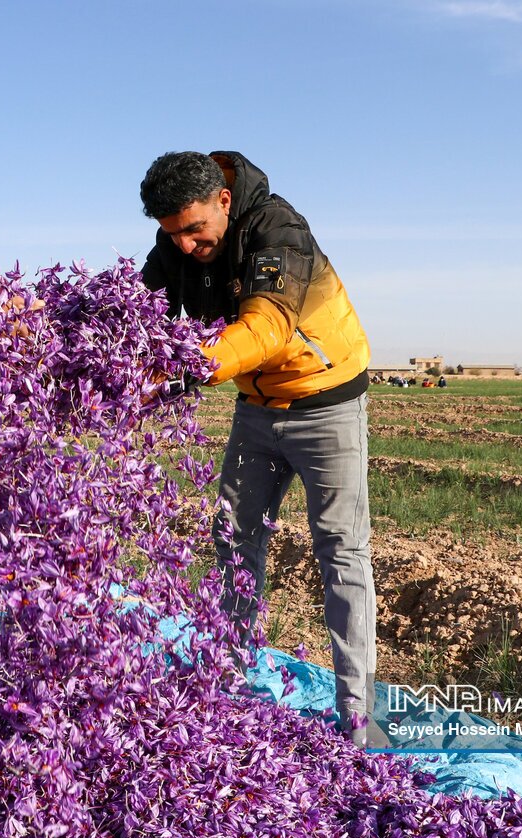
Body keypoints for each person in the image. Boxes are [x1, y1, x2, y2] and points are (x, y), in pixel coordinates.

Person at [139, 151, 387, 748]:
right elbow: (130, 300)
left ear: (223, 202)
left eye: (196, 231)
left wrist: (183, 368)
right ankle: (230, 678)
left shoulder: (279, 231)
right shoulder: (174, 241)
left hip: (325, 404)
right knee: (233, 537)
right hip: (256, 411)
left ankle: (359, 716)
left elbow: (268, 327)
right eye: (172, 234)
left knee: (341, 552)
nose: (187, 246)